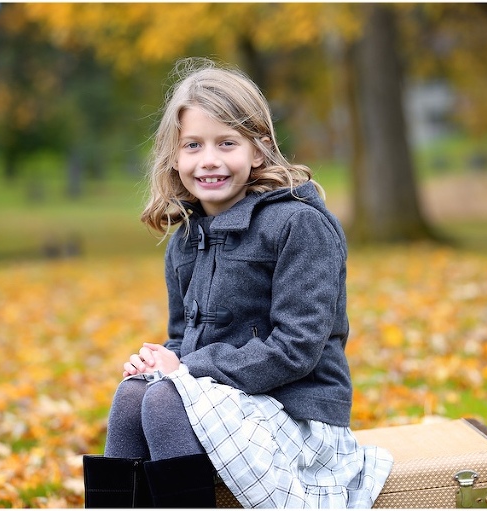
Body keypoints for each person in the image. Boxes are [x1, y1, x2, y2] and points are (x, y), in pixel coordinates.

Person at [83, 57, 393, 508]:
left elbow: (296, 348)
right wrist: (159, 362)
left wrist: (184, 372)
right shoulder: (185, 240)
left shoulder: (298, 226)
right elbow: (183, 339)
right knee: (134, 394)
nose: (209, 160)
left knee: (164, 400)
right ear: (174, 156)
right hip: (221, 405)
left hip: (299, 419)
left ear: (258, 150)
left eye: (227, 143)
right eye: (193, 145)